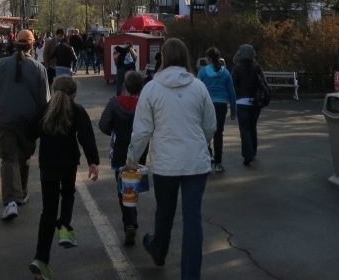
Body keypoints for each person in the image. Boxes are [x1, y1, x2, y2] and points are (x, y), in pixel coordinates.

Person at [126, 39, 215, 280]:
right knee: (192, 220)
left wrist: (132, 159)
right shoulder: (198, 86)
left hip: (166, 162)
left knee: (164, 211)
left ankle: (159, 249)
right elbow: (210, 125)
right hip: (196, 161)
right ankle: (190, 275)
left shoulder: (152, 88)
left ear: (162, 58)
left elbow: (142, 130)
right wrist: (199, 144)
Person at [25, 76, 99, 280]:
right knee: (68, 194)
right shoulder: (77, 111)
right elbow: (86, 137)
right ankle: (65, 228)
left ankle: (40, 258)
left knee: (48, 211)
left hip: (47, 164)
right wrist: (93, 161)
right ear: (74, 93)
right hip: (68, 163)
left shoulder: (46, 109)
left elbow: (29, 131)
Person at [0, 29, 49, 221]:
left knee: (8, 158)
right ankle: (23, 192)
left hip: (5, 119)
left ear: (14, 44)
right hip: (29, 122)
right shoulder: (38, 68)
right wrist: (43, 125)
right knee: (24, 157)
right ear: (32, 46)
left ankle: (11, 201)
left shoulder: (2, 64)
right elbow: (45, 101)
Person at [98, 70, 147, 247]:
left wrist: (114, 130)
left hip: (119, 150)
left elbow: (103, 124)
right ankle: (131, 218)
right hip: (139, 150)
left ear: (124, 86)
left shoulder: (114, 103)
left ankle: (129, 223)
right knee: (133, 186)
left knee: (122, 188)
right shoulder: (143, 105)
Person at [196, 48, 238, 173]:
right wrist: (234, 111)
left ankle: (208, 156)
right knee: (218, 133)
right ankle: (218, 163)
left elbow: (197, 89)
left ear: (208, 58)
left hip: (207, 105)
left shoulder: (203, 72)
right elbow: (232, 92)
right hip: (221, 105)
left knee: (204, 132)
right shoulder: (225, 73)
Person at [232, 44, 267, 166]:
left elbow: (233, 86)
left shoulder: (236, 69)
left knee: (244, 129)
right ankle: (254, 151)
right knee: (253, 127)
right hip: (255, 103)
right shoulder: (257, 68)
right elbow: (263, 84)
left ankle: (248, 155)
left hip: (241, 103)